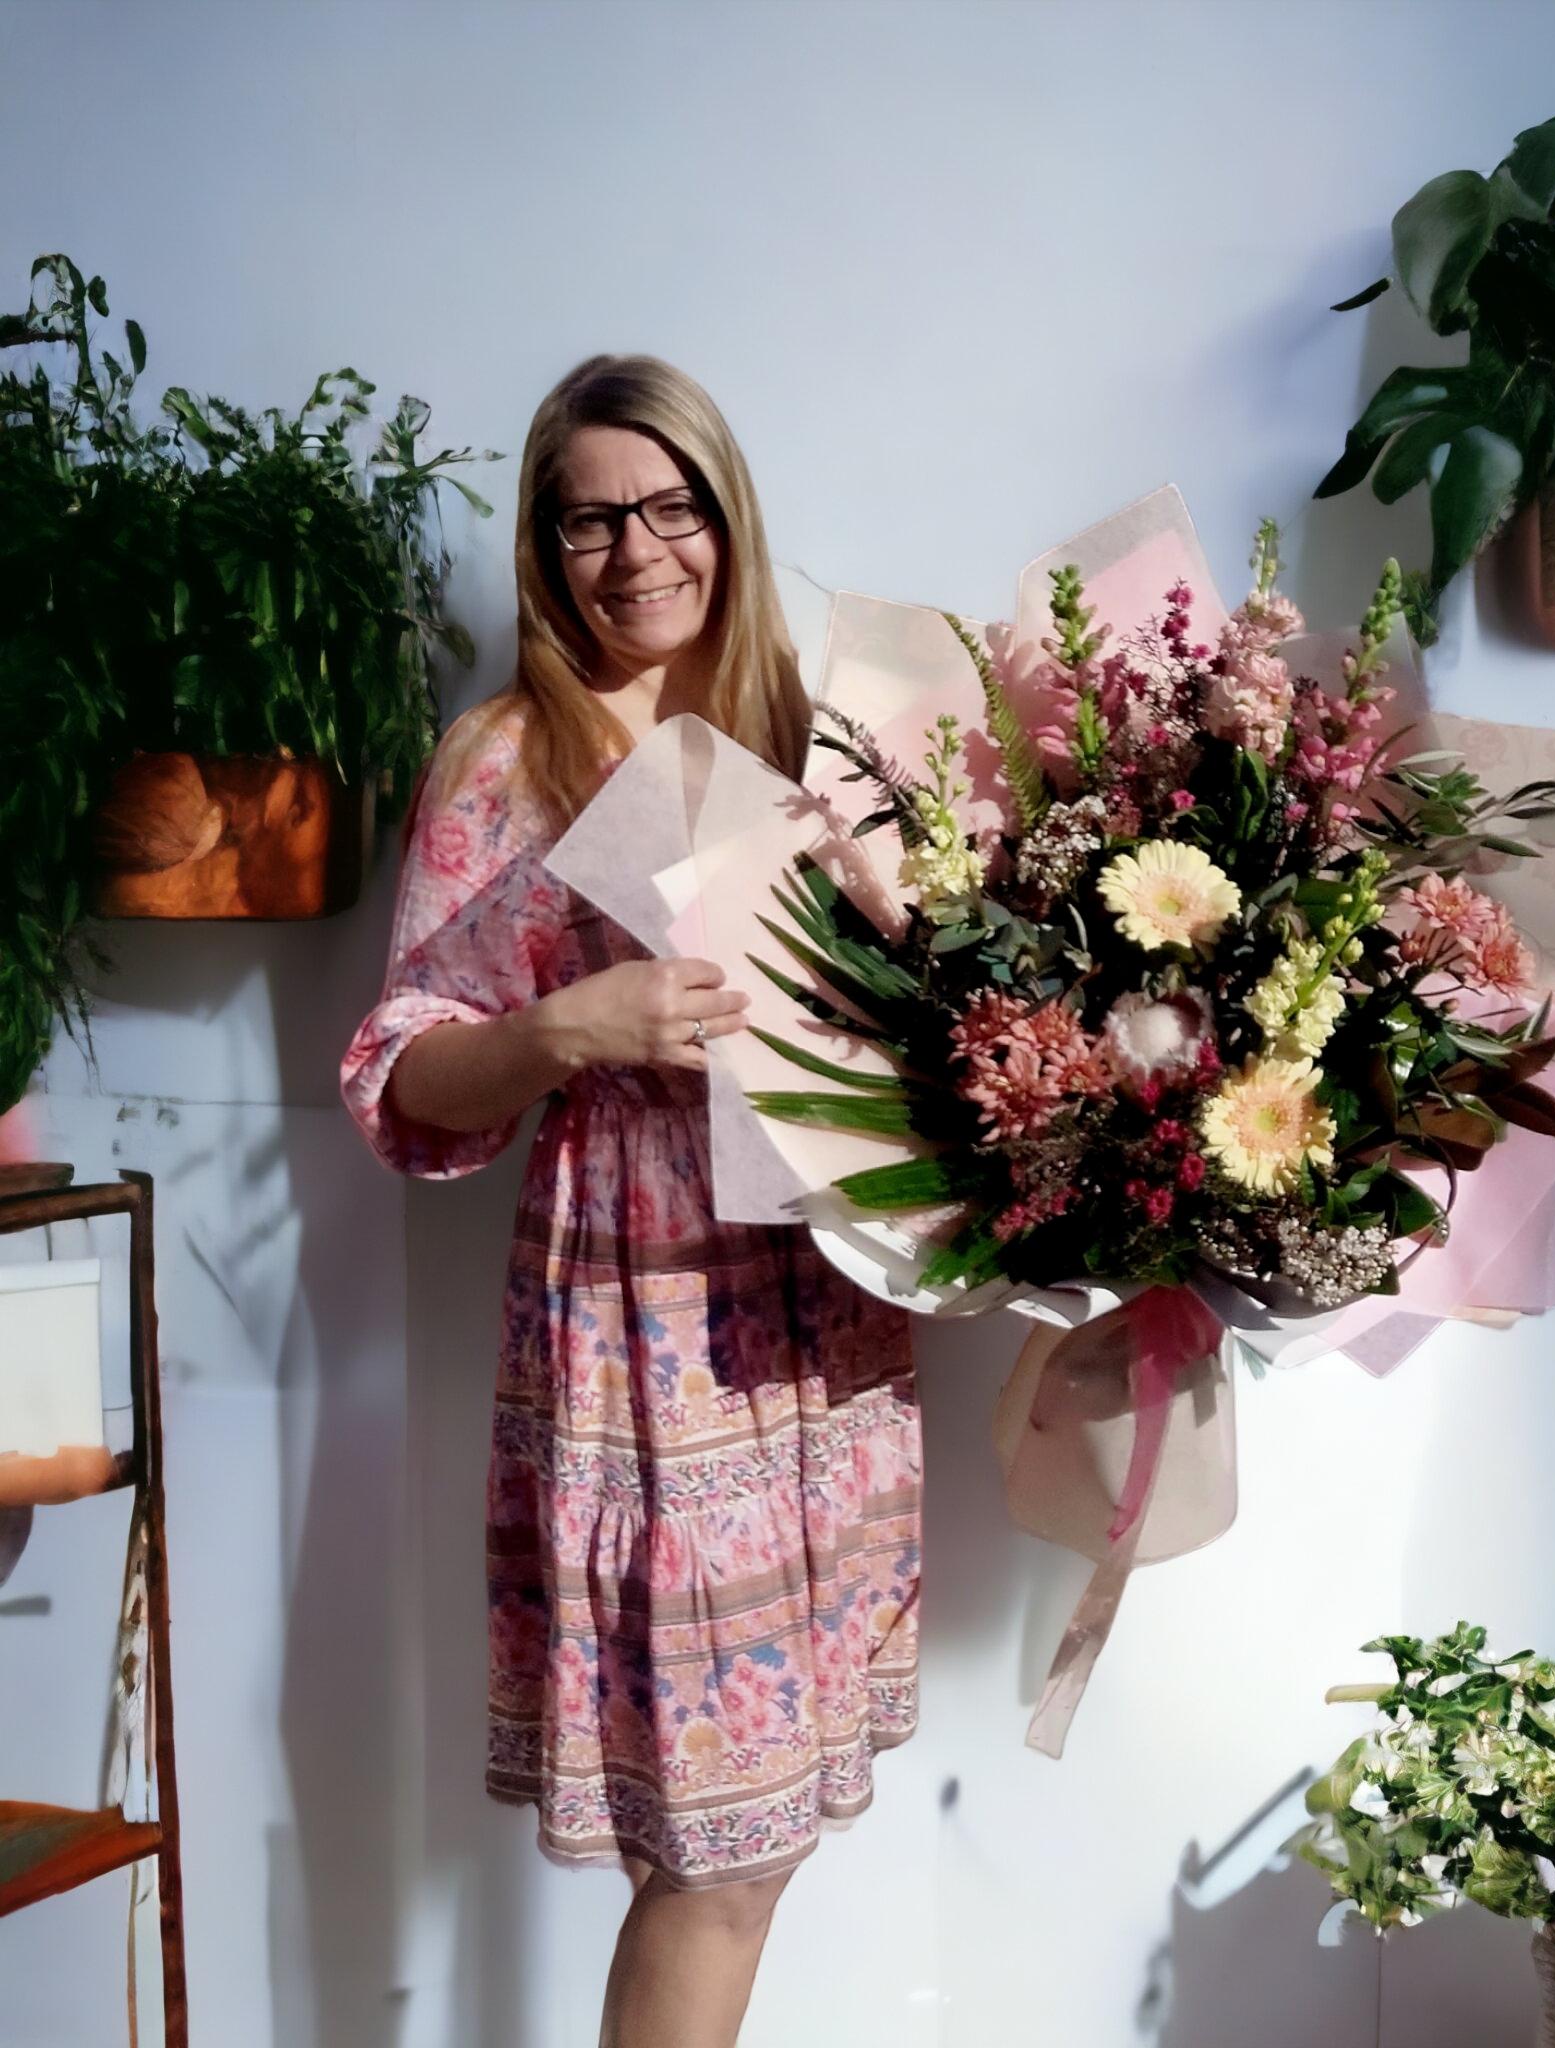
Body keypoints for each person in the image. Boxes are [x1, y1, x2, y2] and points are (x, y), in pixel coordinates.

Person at [341, 356, 919, 2048]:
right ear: (543, 544)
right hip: (658, 1320)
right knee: (712, 1847)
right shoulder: (505, 760)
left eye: (672, 506)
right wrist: (559, 1028)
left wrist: (909, 921)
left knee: (766, 1832)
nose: (636, 550)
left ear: (726, 520)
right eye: (589, 517)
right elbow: (396, 1077)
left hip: (834, 1307)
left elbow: (942, 1020)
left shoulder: (818, 730)